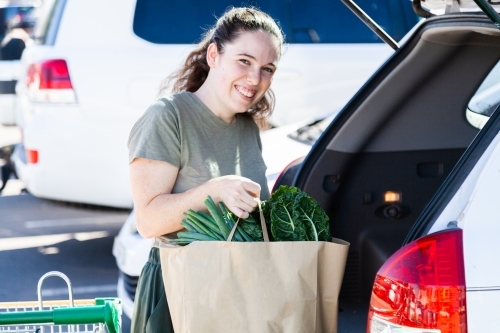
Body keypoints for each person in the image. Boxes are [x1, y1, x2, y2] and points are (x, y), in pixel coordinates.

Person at [127, 6, 285, 333]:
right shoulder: (168, 117)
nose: (256, 79)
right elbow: (148, 220)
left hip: (240, 294)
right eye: (244, 61)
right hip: (180, 292)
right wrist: (213, 191)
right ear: (214, 55)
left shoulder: (247, 127)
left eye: (267, 68)